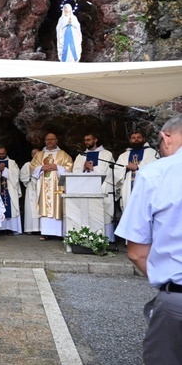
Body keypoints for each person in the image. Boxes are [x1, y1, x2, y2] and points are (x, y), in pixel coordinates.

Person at [115, 114, 182, 363]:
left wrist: (167, 284)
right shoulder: (126, 157)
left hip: (177, 299)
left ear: (165, 137)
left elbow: (137, 253)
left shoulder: (156, 172)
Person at [72, 133, 117, 240]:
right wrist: (83, 169)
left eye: (88, 140)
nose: (86, 142)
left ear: (95, 140)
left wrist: (93, 169)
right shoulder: (81, 155)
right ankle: (88, 237)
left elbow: (112, 172)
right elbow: (74, 172)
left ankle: (107, 238)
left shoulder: (106, 155)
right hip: (85, 188)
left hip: (103, 187)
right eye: (85, 140)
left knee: (104, 213)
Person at [30, 133, 73, 240]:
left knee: (57, 205)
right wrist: (41, 168)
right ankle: (45, 232)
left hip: (57, 185)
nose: (49, 141)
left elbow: (70, 167)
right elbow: (32, 167)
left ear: (56, 140)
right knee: (44, 205)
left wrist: (57, 167)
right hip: (43, 184)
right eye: (47, 139)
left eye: (52, 139)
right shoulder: (39, 155)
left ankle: (59, 232)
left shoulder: (63, 154)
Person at [113, 131, 158, 218]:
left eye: (139, 137)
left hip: (145, 190)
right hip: (128, 189)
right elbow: (117, 170)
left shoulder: (152, 153)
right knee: (129, 215)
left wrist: (138, 167)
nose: (136, 139)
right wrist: (125, 168)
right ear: (130, 140)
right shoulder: (124, 155)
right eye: (133, 138)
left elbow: (155, 168)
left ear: (144, 139)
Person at [0, 145, 22, 235]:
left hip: (10, 188)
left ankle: (10, 228)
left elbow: (16, 176)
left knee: (11, 208)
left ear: (6, 152)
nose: (1, 155)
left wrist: (5, 170)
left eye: (3, 153)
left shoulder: (12, 163)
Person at [20, 148, 41, 233]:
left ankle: (41, 228)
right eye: (33, 154)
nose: (35, 155)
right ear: (31, 155)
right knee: (30, 208)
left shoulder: (44, 165)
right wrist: (29, 176)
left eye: (37, 153)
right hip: (31, 188)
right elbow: (22, 176)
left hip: (41, 188)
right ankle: (30, 228)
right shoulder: (27, 165)